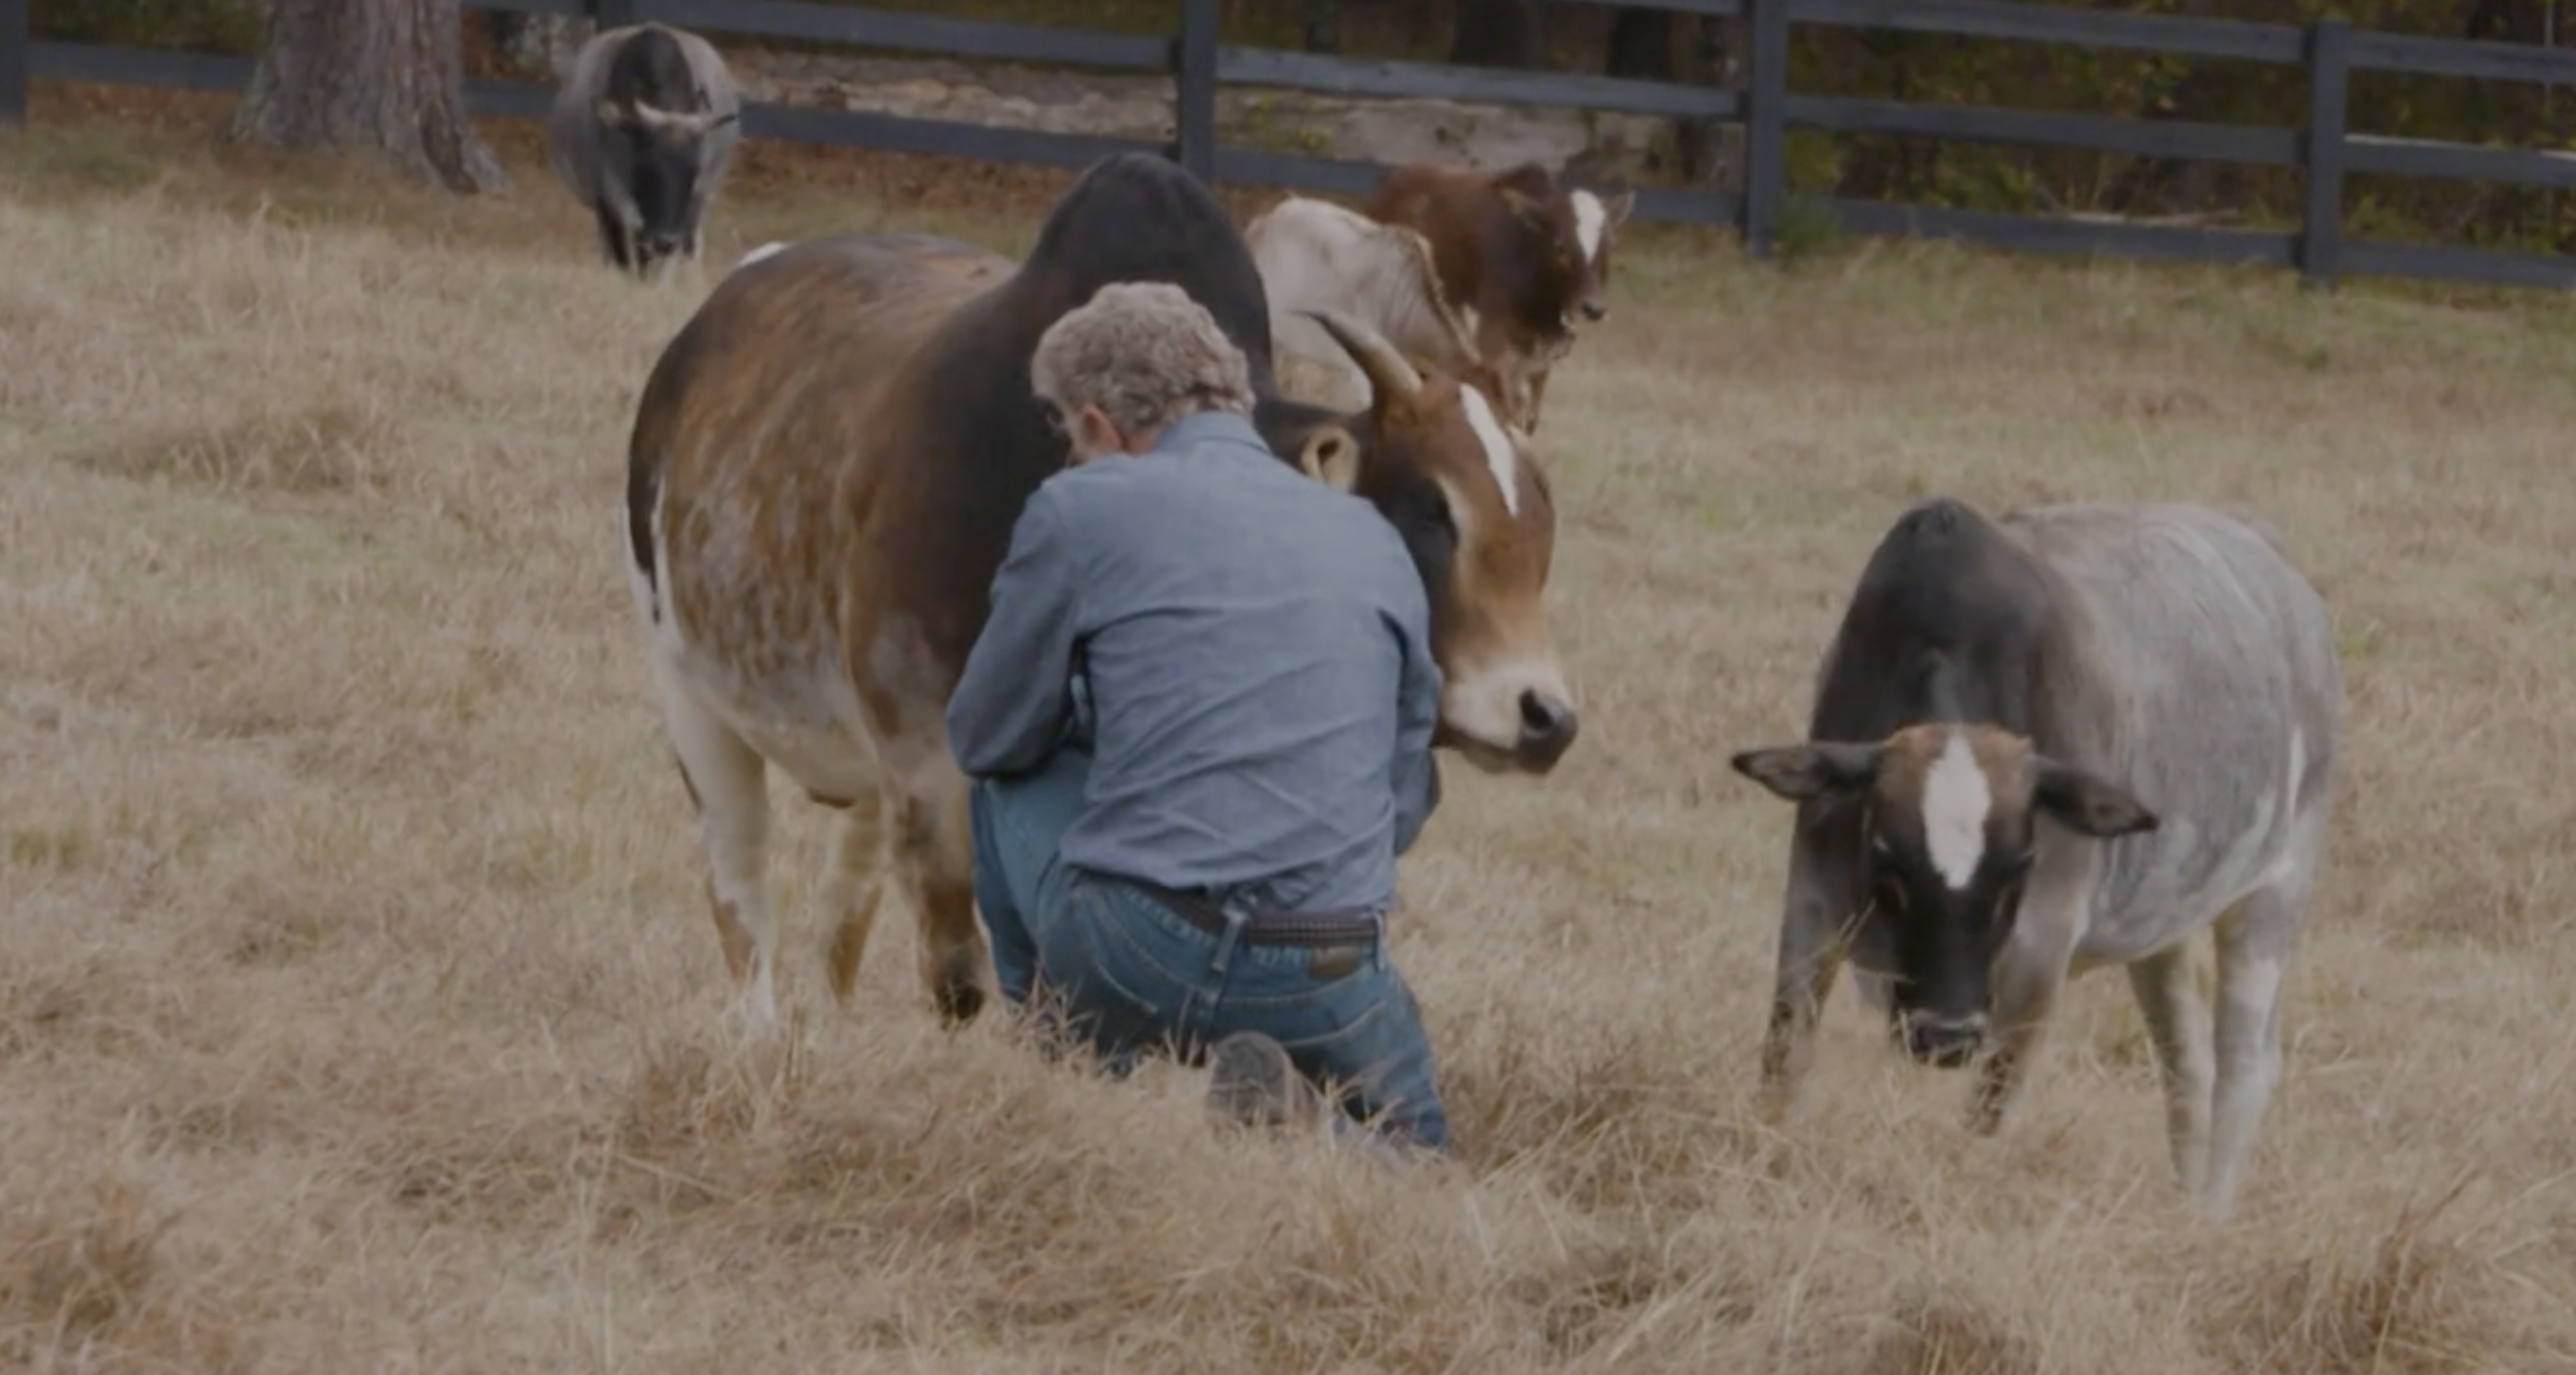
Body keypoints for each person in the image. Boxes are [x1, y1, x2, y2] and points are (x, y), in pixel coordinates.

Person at [945, 279, 1451, 1154]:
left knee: (1000, 790)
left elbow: (987, 735)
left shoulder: (1081, 509)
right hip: (1329, 958)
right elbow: (1403, 798)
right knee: (1423, 1155)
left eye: (1070, 437)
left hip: (1136, 950)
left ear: (1099, 426)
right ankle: (1315, 1134)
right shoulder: (1371, 537)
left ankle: (1058, 1074)